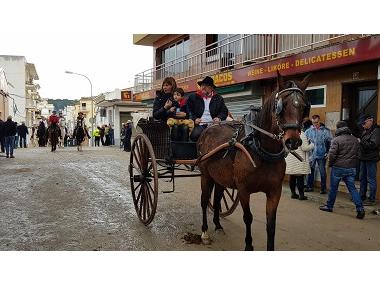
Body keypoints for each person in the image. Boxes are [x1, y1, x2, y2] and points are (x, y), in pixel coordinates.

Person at [319, 121, 365, 219]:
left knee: (333, 188)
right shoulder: (355, 139)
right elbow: (359, 154)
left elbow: (332, 155)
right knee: (352, 188)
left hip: (338, 167)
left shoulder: (336, 140)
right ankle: (360, 209)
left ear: (338, 128)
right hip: (351, 168)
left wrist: (330, 164)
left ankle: (329, 206)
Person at [187, 76, 228, 141]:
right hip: (200, 124)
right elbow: (189, 110)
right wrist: (194, 119)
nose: (203, 87)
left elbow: (224, 111)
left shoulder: (218, 98)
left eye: (206, 85)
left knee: (223, 137)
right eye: (202, 85)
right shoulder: (193, 97)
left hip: (214, 125)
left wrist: (219, 118)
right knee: (195, 135)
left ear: (211, 88)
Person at [304, 114, 332, 194]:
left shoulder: (326, 130)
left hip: (321, 154)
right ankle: (310, 187)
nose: (314, 124)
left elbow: (330, 142)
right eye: (313, 123)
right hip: (311, 154)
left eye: (316, 122)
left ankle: (323, 188)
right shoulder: (308, 131)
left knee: (322, 172)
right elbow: (304, 142)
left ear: (319, 121)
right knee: (310, 171)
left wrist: (328, 152)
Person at [285, 126, 314, 200]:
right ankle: (301, 195)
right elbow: (304, 148)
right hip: (299, 160)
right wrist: (312, 145)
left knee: (292, 178)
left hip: (290, 160)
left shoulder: (289, 134)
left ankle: (293, 193)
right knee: (300, 178)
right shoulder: (301, 135)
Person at [358, 115, 380, 205]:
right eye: (362, 124)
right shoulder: (366, 130)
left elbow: (373, 145)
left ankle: (371, 199)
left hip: (371, 158)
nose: (363, 126)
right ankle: (361, 196)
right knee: (362, 178)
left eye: (364, 123)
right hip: (363, 157)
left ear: (370, 121)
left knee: (371, 179)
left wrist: (361, 142)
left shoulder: (376, 130)